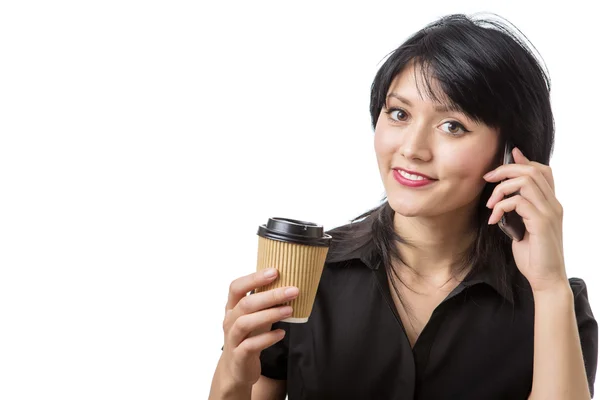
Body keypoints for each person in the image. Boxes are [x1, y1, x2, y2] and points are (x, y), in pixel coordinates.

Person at [209, 13, 598, 400]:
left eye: (453, 126)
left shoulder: (554, 304)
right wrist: (232, 376)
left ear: (512, 156)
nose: (411, 149)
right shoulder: (307, 277)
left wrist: (549, 286)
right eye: (399, 114)